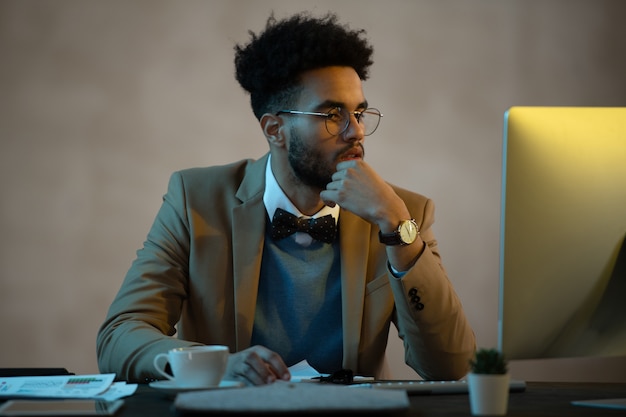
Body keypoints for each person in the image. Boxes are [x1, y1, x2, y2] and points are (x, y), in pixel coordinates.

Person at [96, 11, 476, 386]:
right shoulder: (196, 202)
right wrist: (215, 365)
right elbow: (120, 334)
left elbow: (450, 364)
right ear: (275, 129)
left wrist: (397, 229)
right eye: (332, 114)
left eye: (359, 112)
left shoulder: (401, 214)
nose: (356, 131)